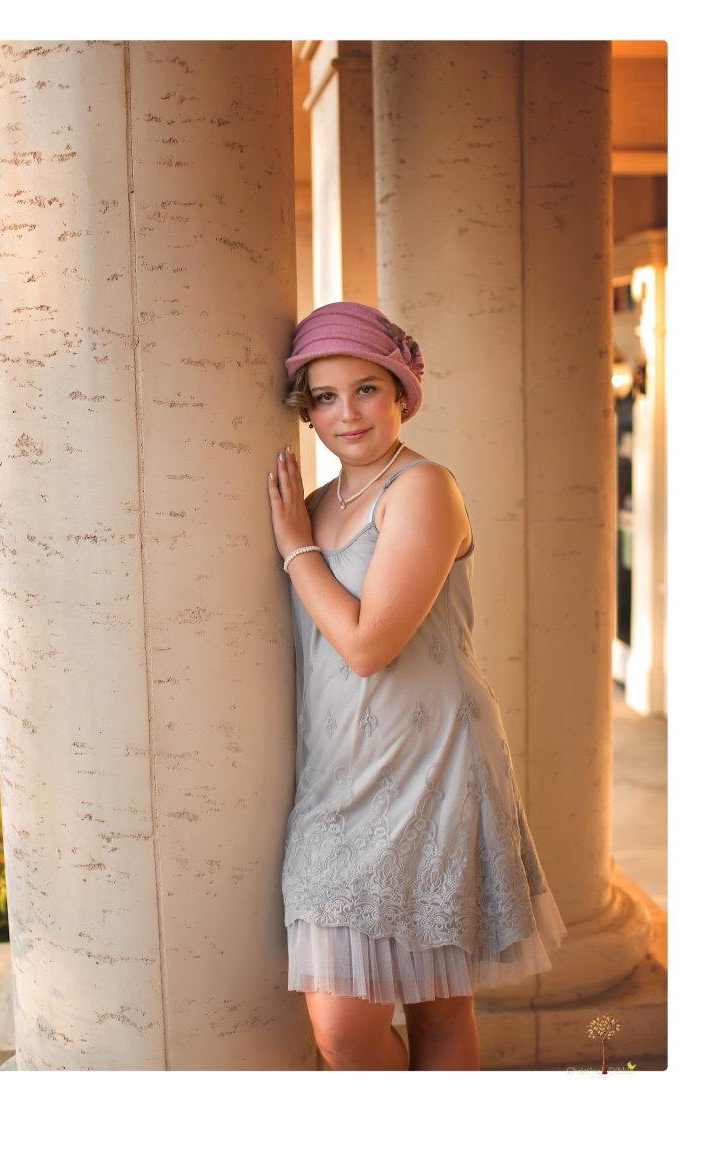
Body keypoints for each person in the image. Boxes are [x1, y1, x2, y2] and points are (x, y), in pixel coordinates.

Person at [267, 301, 567, 1071]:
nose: (347, 414)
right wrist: (302, 536)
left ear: (402, 390)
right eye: (325, 397)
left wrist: (298, 552)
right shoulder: (314, 506)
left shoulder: (424, 488)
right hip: (338, 777)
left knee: (439, 1003)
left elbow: (368, 645)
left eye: (366, 388)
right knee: (342, 1029)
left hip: (433, 765)